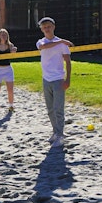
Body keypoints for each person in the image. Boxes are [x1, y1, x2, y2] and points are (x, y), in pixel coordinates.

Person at [36, 17, 72, 146]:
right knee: (50, 109)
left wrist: (68, 79)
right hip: (46, 79)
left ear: (54, 27)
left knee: (58, 109)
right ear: (41, 29)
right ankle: (55, 132)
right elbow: (44, 47)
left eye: (49, 26)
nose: (46, 28)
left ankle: (60, 135)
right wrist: (61, 41)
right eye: (44, 27)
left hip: (58, 79)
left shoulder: (62, 45)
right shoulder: (41, 41)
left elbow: (68, 62)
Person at [0, 28, 17, 116]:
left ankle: (11, 106)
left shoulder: (10, 45)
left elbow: (13, 55)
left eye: (5, 34)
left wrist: (14, 51)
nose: (4, 36)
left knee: (10, 89)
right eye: (2, 34)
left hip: (8, 69)